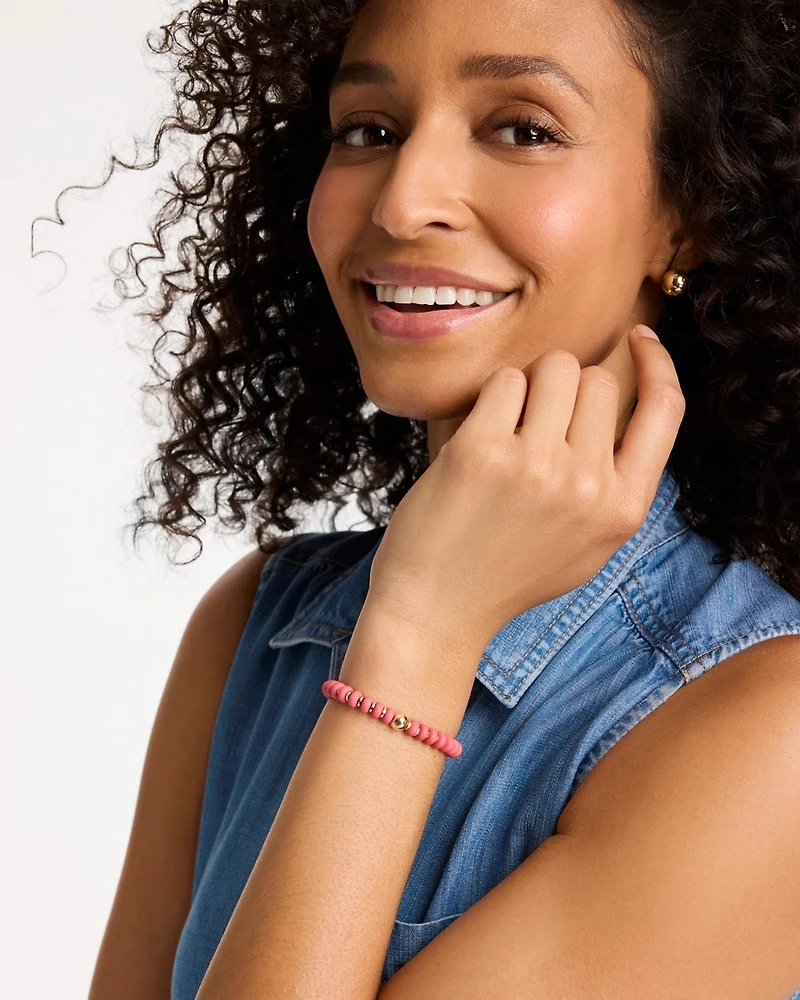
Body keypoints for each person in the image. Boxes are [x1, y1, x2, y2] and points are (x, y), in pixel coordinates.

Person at [79, 0, 800, 996]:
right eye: (368, 131)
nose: (403, 198)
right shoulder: (259, 625)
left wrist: (419, 635)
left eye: (521, 129)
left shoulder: (763, 727)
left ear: (687, 217)